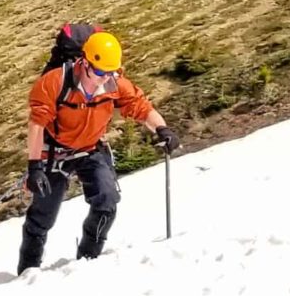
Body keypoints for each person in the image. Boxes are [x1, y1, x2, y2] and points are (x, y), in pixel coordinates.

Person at [19, 29, 176, 274]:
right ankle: (27, 271)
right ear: (85, 61)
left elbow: (141, 107)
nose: (105, 78)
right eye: (101, 72)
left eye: (111, 72)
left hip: (91, 149)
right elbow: (38, 123)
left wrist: (162, 129)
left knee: (107, 200)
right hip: (54, 152)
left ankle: (88, 261)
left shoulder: (114, 84)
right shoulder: (54, 82)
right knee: (43, 216)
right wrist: (35, 167)